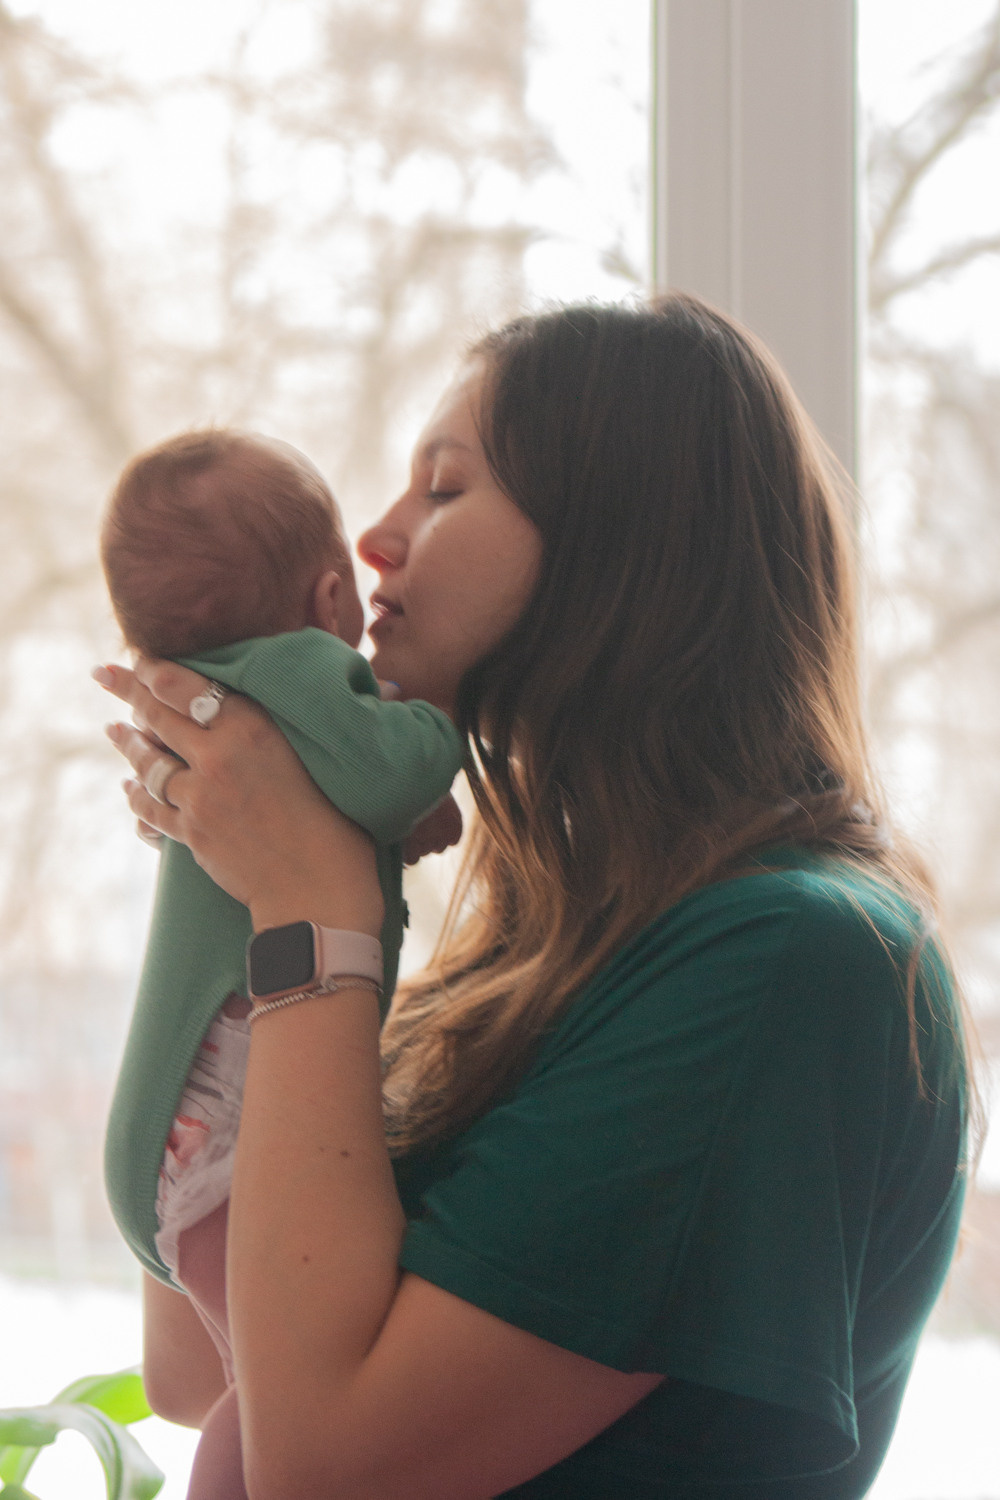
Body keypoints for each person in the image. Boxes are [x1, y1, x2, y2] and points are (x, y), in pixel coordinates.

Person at [96, 295, 972, 1499]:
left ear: (625, 542)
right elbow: (197, 1368)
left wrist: (306, 899)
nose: (376, 541)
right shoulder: (537, 960)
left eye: (445, 491)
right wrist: (233, 879)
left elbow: (320, 1472)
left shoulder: (782, 960)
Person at [99, 429, 464, 1497]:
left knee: (246, 1394)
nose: (382, 539)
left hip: (172, 1139)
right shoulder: (301, 668)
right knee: (272, 1416)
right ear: (326, 598)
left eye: (445, 490)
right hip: (230, 1120)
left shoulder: (222, 712)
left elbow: (170, 1378)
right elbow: (388, 767)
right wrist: (436, 731)